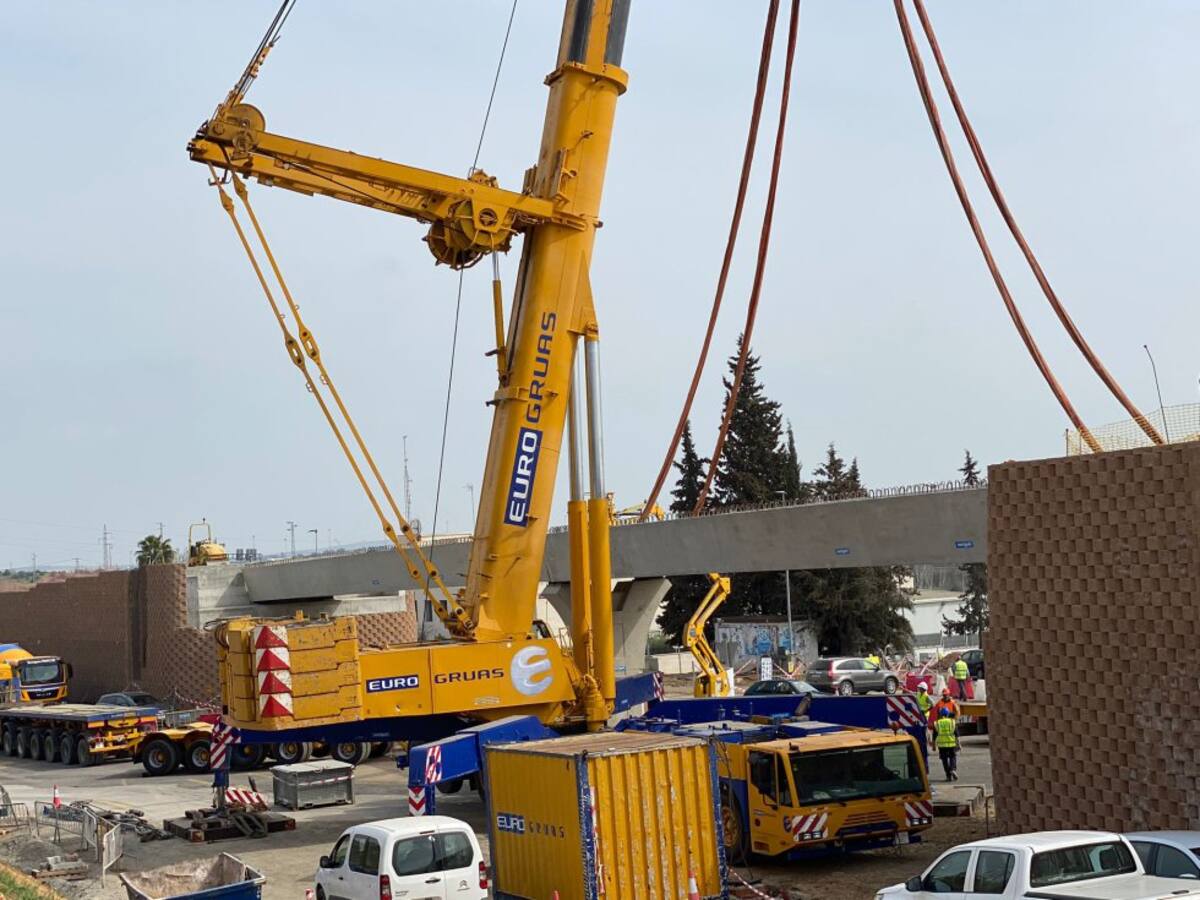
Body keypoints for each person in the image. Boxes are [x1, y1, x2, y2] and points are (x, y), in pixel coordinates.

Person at [934, 707, 959, 782]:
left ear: (941, 714)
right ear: (948, 714)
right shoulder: (952, 722)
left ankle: (948, 776)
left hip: (942, 745)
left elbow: (934, 735)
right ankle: (953, 769)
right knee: (953, 757)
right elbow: (956, 734)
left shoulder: (937, 723)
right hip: (951, 743)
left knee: (944, 760)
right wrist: (959, 743)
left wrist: (933, 746)